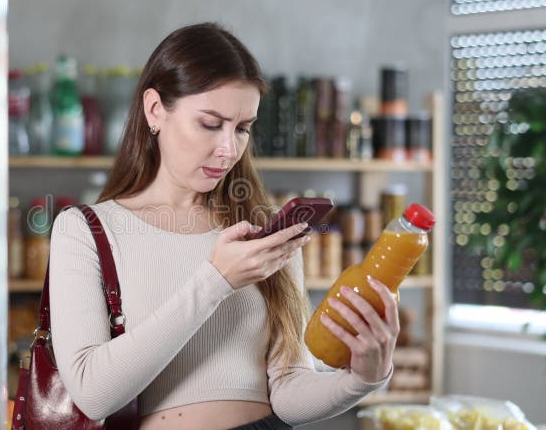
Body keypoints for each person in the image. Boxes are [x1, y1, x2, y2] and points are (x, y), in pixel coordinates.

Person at [49, 22, 398, 430]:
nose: (228, 149)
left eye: (243, 128)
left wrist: (363, 378)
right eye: (210, 124)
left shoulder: (264, 231)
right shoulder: (85, 230)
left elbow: (286, 391)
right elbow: (93, 393)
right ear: (155, 110)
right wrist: (216, 281)